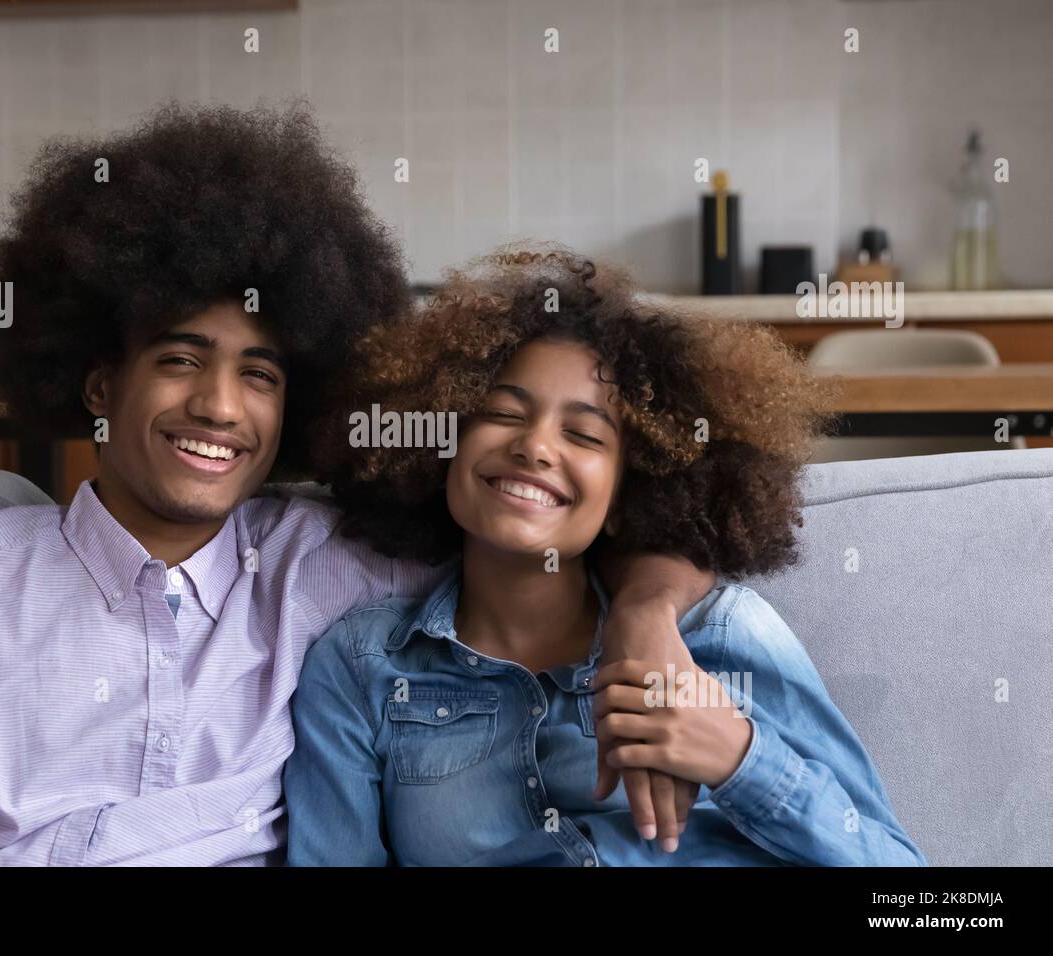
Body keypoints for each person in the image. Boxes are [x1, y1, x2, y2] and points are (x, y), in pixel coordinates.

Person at [0, 107, 709, 867]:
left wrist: (647, 611)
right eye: (181, 359)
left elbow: (555, 517)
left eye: (260, 373)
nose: (219, 406)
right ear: (100, 384)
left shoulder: (340, 563)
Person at [283, 245, 927, 866]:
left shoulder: (722, 633)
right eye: (503, 415)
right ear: (444, 442)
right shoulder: (360, 667)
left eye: (584, 433)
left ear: (627, 495)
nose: (536, 448)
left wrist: (738, 758)